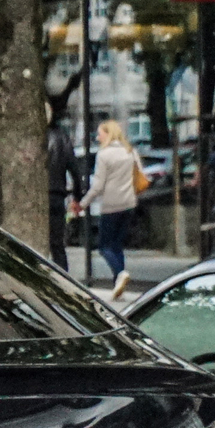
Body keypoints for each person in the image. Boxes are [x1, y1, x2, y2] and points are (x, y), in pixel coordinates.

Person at [86, 119, 143, 303]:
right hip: (129, 204)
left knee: (104, 247)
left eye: (100, 133)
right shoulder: (130, 151)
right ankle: (119, 284)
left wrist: (84, 203)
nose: (97, 137)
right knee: (117, 245)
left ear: (108, 134)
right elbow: (141, 175)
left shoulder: (104, 155)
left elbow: (98, 185)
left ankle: (120, 274)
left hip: (111, 205)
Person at [45, 114, 83, 268]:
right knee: (57, 245)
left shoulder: (32, 137)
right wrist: (77, 197)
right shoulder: (62, 138)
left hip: (41, 196)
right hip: (56, 194)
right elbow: (75, 171)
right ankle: (62, 278)